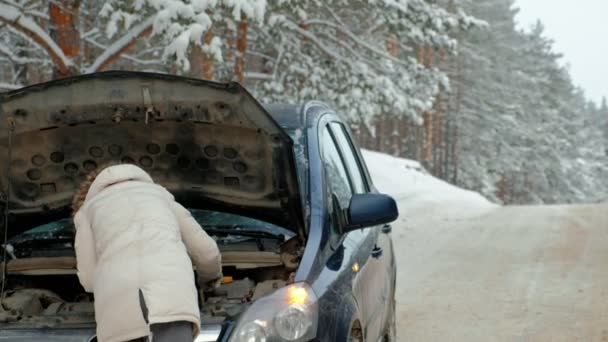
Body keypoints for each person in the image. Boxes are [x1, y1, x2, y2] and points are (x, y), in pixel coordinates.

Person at [72, 163, 222, 342]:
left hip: (119, 308)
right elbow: (207, 252)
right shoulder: (161, 196)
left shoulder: (87, 211)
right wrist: (209, 281)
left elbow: (89, 279)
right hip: (170, 296)